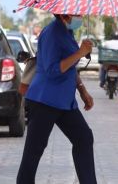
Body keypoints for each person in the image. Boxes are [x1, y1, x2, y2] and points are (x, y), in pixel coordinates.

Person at [17, 14, 96, 184]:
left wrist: (82, 90)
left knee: (84, 138)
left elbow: (69, 67)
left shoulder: (67, 32)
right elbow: (53, 69)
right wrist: (80, 53)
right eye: (76, 13)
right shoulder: (52, 33)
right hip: (44, 100)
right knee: (34, 150)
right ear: (63, 13)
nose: (80, 16)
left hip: (64, 101)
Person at [99, 33, 118, 99]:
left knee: (102, 69)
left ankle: (102, 82)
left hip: (108, 63)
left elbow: (101, 47)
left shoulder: (107, 42)